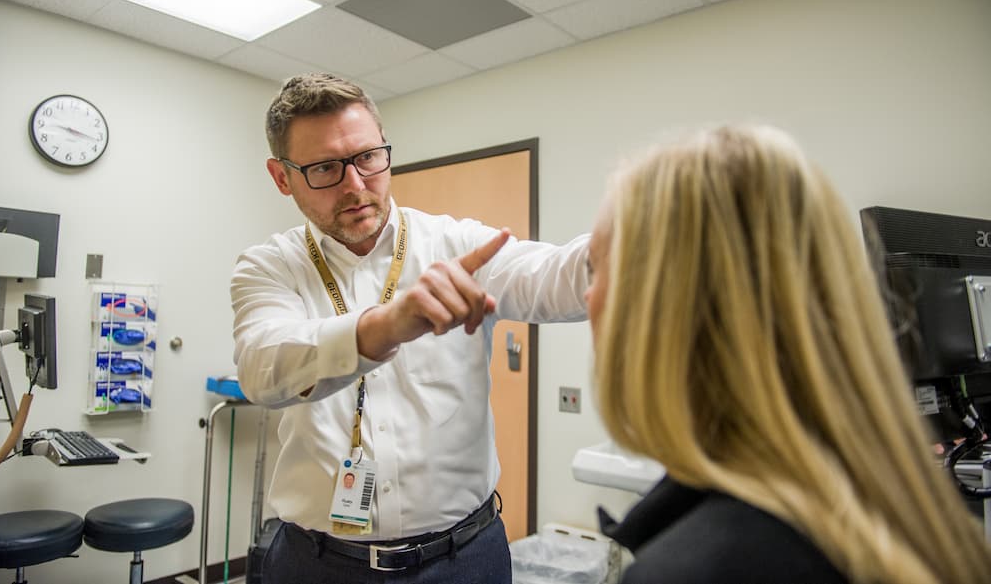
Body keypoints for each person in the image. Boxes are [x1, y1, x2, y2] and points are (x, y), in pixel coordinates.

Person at [585, 124, 991, 584]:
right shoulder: (902, 507)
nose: (587, 297)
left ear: (667, 311)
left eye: (595, 269)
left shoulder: (699, 570)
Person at [231, 73, 589, 583]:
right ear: (282, 177)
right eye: (325, 168)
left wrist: (647, 231)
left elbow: (557, 277)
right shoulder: (269, 267)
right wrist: (386, 326)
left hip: (464, 559)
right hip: (318, 565)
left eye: (368, 158)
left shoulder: (455, 243)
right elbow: (261, 368)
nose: (355, 185)